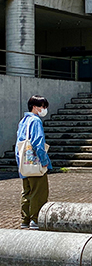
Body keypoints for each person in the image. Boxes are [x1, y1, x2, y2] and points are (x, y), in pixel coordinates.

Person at [15, 95, 52, 230]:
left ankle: (25, 219)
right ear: (35, 107)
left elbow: (19, 143)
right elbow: (38, 143)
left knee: (27, 192)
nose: (44, 109)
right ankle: (35, 219)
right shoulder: (36, 121)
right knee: (39, 192)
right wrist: (44, 161)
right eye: (43, 107)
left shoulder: (23, 121)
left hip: (24, 164)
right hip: (35, 163)